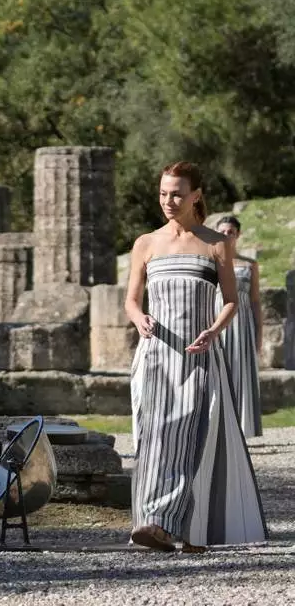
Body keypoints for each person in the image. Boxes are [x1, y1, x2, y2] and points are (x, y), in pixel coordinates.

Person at [124, 161, 267, 552]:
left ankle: (177, 526)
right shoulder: (146, 243)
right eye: (163, 193)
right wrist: (139, 319)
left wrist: (214, 330)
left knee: (190, 438)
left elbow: (232, 302)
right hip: (156, 355)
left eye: (177, 194)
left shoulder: (214, 243)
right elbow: (132, 300)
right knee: (153, 437)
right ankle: (151, 522)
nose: (168, 201)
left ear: (196, 196)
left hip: (198, 355)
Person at [214, 216, 263, 438]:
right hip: (216, 323)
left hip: (242, 324)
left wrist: (259, 334)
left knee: (240, 372)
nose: (226, 235)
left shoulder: (250, 265)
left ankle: (241, 431)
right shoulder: (210, 262)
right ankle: (216, 428)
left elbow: (255, 301)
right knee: (217, 373)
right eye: (222, 231)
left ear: (237, 235)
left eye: (230, 232)